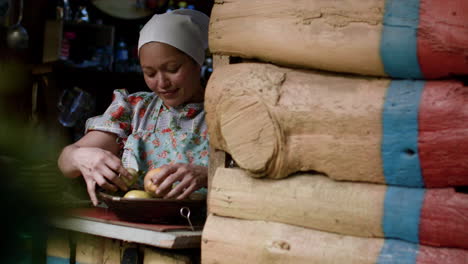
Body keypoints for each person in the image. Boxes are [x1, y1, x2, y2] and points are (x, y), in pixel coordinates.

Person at [58, 9, 210, 206]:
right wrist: (79, 156)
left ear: (197, 63)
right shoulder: (136, 109)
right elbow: (65, 162)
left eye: (172, 69)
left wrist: (208, 175)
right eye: (150, 73)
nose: (162, 83)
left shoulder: (226, 113)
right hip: (130, 229)